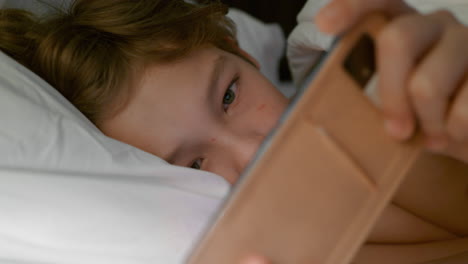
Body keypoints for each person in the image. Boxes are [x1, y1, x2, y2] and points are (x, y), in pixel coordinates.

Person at [0, 0, 467, 263]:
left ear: (239, 52)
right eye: (194, 165)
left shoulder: (404, 69)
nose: (254, 150)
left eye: (229, 96)